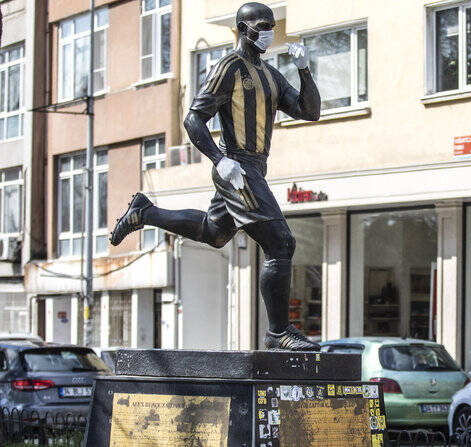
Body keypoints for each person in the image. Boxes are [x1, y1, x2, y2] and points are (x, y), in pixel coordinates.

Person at [109, 2, 321, 351]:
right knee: (281, 243)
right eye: (261, 27)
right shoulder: (228, 67)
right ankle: (278, 332)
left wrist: (304, 69)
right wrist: (219, 159)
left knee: (215, 232)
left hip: (256, 167)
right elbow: (194, 118)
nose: (268, 33)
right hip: (237, 166)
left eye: (271, 26)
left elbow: (309, 111)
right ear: (243, 29)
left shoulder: (270, 75)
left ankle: (144, 212)